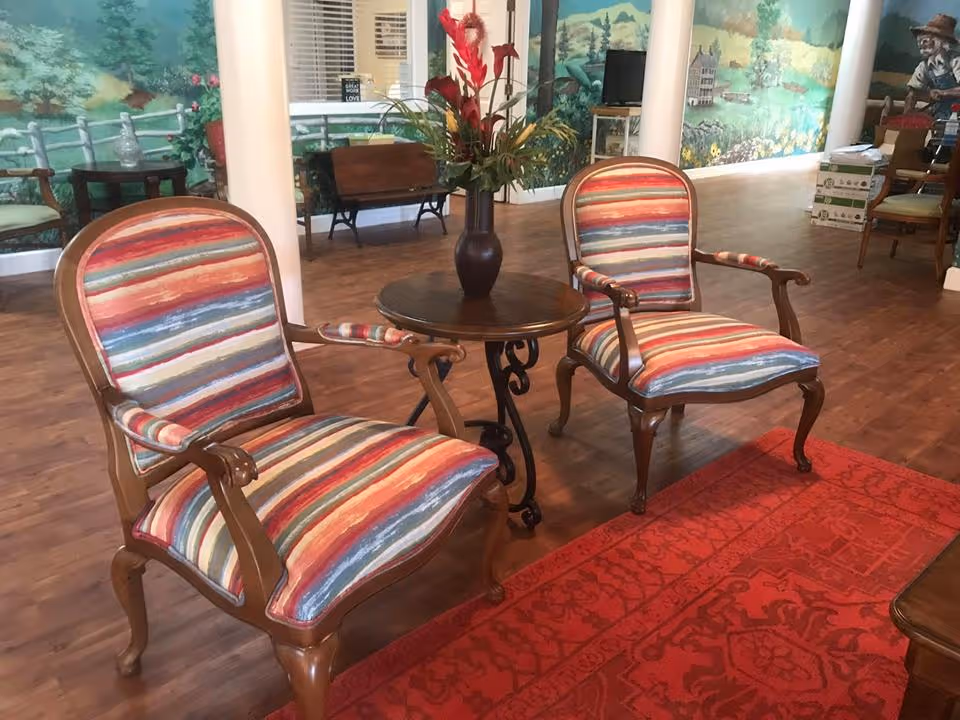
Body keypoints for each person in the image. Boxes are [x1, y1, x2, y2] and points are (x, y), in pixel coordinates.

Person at [904, 14, 960, 120]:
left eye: (928, 39)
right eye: (921, 40)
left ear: (942, 41)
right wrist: (906, 116)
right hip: (938, 117)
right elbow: (913, 93)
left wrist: (943, 93)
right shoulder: (923, 67)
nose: (922, 43)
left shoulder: (956, 61)